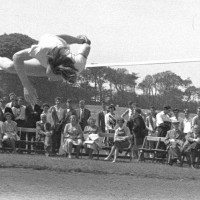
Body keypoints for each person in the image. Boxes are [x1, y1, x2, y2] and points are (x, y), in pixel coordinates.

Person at [0, 34, 91, 105]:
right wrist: (27, 85)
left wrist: (85, 42)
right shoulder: (42, 50)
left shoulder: (77, 65)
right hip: (49, 41)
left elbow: (86, 48)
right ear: (51, 64)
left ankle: (63, 41)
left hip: (58, 52)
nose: (49, 79)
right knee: (11, 67)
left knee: (60, 41)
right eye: (49, 75)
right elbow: (17, 57)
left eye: (55, 78)